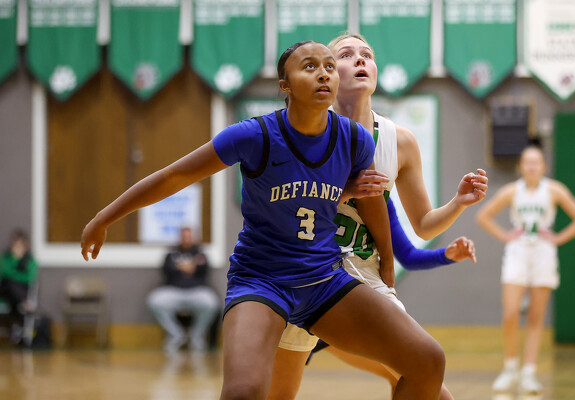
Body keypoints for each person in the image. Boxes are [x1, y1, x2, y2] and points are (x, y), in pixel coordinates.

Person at [81, 40, 483, 400]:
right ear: (284, 85)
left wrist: (389, 269)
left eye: (329, 66)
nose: (323, 73)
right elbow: (175, 176)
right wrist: (104, 217)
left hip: (325, 280)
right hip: (262, 280)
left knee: (428, 360)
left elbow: (375, 204)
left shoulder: (355, 138)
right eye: (310, 66)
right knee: (245, 391)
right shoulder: (253, 135)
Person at [267, 33, 488, 400]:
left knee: (432, 384)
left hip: (363, 275)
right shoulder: (302, 129)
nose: (360, 60)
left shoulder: (399, 140)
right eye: (346, 54)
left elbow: (423, 225)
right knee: (277, 394)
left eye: (367, 55)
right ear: (327, 72)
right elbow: (279, 205)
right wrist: (345, 191)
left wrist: (458, 202)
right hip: (303, 268)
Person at [476, 141, 575, 394]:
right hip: (517, 251)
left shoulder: (555, 190)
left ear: (543, 166)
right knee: (510, 313)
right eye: (527, 162)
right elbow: (483, 215)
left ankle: (529, 372)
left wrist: (558, 238)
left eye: (536, 162)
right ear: (520, 166)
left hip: (543, 252)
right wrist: (505, 235)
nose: (531, 166)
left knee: (536, 317)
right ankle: (510, 368)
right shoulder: (511, 191)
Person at [146, 226, 219, 353]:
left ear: (194, 238)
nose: (186, 239)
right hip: (174, 291)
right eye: (184, 237)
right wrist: (187, 267)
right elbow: (167, 272)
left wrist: (182, 266)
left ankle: (197, 336)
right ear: (180, 238)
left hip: (197, 292)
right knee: (154, 300)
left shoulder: (201, 255)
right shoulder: (170, 254)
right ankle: (175, 335)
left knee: (211, 303)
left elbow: (204, 271)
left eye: (189, 237)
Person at [0, 230, 38, 320]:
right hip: (6, 292)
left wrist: (14, 275)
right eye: (16, 246)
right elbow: (5, 272)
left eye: (20, 246)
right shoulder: (6, 258)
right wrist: (15, 260)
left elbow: (30, 277)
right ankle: (24, 303)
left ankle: (22, 304)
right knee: (10, 284)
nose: (18, 249)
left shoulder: (29, 261)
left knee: (13, 284)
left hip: (22, 291)